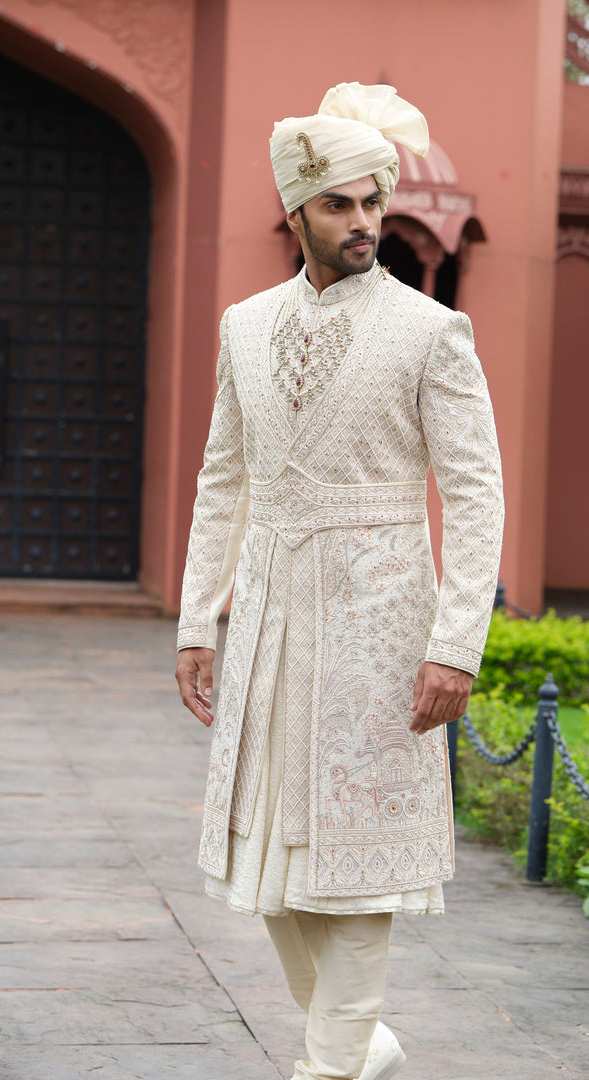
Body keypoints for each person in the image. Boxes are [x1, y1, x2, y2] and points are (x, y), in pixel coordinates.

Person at [176, 82, 504, 1080]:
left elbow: (478, 494)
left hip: (381, 627)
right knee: (270, 871)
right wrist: (200, 619)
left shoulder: (429, 331)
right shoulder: (242, 326)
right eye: (338, 205)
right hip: (271, 623)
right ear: (295, 213)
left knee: (356, 879)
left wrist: (456, 645)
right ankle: (367, 1047)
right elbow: (222, 477)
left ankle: (328, 1067)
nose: (363, 222)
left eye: (372, 202)